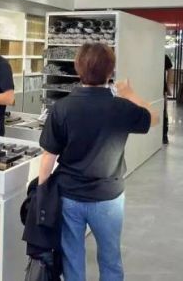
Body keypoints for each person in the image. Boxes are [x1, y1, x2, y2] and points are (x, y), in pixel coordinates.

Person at [37, 43, 159, 281]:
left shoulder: (62, 108)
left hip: (69, 195)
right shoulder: (122, 108)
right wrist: (129, 93)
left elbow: (48, 157)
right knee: (110, 258)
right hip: (108, 197)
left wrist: (42, 193)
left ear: (77, 68)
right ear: (110, 71)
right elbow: (153, 117)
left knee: (72, 257)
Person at [163, 54, 173, 144]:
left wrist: (168, 86)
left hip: (162, 89)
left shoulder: (163, 56)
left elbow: (170, 70)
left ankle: (164, 135)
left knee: (164, 111)